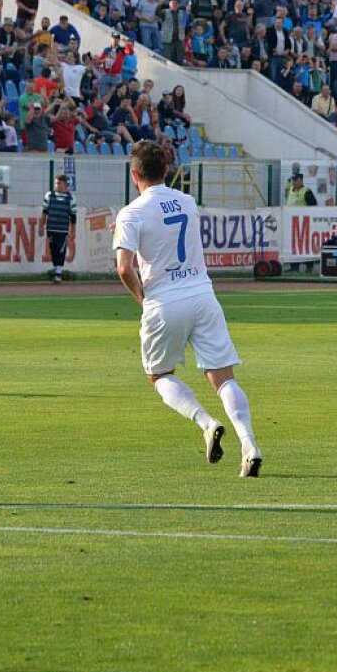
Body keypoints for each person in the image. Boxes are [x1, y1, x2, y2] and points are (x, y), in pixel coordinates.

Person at [113, 141, 263, 478]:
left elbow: (124, 268)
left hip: (164, 300)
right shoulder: (187, 201)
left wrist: (141, 298)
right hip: (203, 296)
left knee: (159, 375)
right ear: (166, 169)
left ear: (134, 173)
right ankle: (250, 444)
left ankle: (207, 423)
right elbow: (168, 229)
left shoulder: (131, 213)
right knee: (223, 377)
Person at [41, 174, 76, 283]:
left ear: (65, 184)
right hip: (51, 228)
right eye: (55, 183)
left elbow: (73, 216)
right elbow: (44, 212)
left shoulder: (71, 198)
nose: (56, 185)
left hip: (63, 230)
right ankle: (57, 271)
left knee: (61, 251)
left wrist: (73, 230)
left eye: (58, 183)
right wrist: (41, 226)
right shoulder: (49, 195)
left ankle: (58, 274)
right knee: (53, 251)